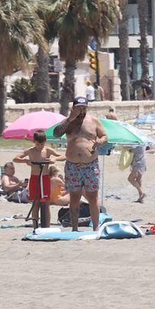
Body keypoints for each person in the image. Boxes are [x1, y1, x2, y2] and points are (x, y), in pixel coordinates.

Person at [59, 97, 108, 231]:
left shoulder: (93, 121)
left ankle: (96, 227)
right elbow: (57, 133)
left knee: (93, 196)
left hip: (90, 164)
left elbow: (104, 136)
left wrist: (100, 141)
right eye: (79, 108)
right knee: (74, 197)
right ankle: (74, 228)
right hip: (73, 165)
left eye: (84, 108)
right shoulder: (68, 122)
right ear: (73, 108)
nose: (81, 111)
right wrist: (70, 119)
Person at [14, 130, 64, 228]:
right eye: (37, 144)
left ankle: (47, 226)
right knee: (35, 203)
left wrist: (54, 159)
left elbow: (63, 156)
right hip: (34, 178)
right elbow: (15, 158)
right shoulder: (30, 151)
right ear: (34, 142)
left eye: (42, 144)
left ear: (45, 142)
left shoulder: (48, 150)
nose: (40, 146)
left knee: (46, 203)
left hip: (45, 178)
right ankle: (35, 226)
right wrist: (25, 161)